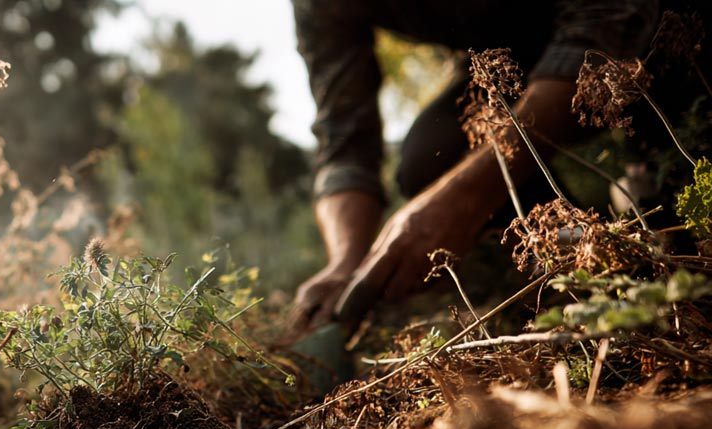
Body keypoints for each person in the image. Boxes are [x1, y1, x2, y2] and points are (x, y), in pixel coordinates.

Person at [286, 0, 710, 334]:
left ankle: (665, 198)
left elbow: (607, 23)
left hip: (657, 26)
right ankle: (602, 263)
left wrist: (466, 196)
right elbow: (344, 138)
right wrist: (346, 263)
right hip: (510, 61)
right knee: (431, 158)